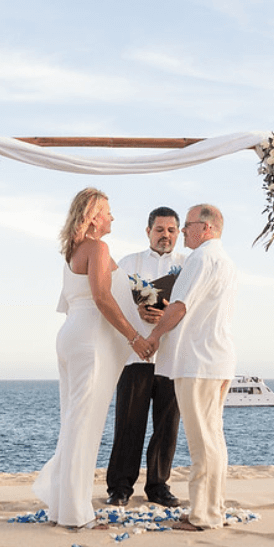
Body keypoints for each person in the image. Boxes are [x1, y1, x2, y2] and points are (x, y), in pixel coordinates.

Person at [34, 188, 148, 528]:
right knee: (84, 426)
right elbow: (102, 296)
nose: (112, 217)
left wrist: (156, 298)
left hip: (71, 335)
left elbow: (126, 283)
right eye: (108, 211)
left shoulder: (75, 250)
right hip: (90, 341)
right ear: (93, 217)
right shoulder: (98, 248)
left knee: (73, 423)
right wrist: (134, 336)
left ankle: (62, 508)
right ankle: (76, 513)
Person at [145, 204, 238, 532]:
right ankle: (215, 507)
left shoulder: (201, 259)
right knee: (213, 437)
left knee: (202, 442)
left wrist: (155, 335)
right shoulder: (224, 260)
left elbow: (180, 307)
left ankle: (203, 515)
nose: (182, 231)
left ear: (208, 228)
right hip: (216, 358)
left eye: (188, 225)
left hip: (198, 360)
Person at [104, 206, 187, 508]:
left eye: (171, 230)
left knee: (167, 425)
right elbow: (112, 302)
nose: (165, 235)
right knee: (129, 423)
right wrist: (137, 309)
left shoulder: (188, 265)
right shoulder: (129, 262)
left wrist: (167, 314)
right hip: (135, 355)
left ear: (178, 233)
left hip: (171, 356)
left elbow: (193, 306)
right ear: (148, 231)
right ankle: (120, 487)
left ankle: (158, 486)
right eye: (160, 229)